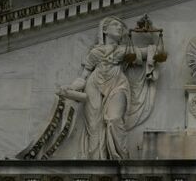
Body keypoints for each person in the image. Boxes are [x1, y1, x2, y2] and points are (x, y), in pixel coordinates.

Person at [57, 16, 157, 160]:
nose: (119, 28)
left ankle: (121, 160)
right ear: (104, 29)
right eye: (115, 25)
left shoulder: (124, 50)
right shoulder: (95, 53)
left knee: (114, 119)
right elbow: (83, 77)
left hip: (118, 84)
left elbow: (154, 51)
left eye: (121, 27)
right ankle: (97, 161)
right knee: (94, 128)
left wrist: (152, 33)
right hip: (94, 85)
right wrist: (70, 87)